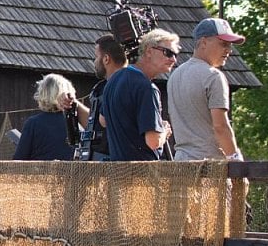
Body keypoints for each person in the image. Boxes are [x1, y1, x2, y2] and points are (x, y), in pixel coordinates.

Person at [169, 17, 246, 161]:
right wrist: (235, 159)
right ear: (204, 42)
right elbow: (220, 126)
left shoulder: (175, 75)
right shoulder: (214, 76)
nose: (229, 50)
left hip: (180, 165)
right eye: (223, 44)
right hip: (208, 167)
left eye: (229, 45)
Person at [99, 29, 179, 161]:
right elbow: (153, 141)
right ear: (148, 51)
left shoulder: (114, 79)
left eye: (175, 54)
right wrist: (163, 131)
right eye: (168, 53)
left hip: (116, 173)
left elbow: (103, 120)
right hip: (141, 174)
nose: (173, 59)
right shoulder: (147, 88)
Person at [73, 35, 126, 160]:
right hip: (98, 160)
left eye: (96, 57)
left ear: (106, 59)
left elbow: (107, 122)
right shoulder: (101, 88)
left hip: (115, 163)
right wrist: (73, 104)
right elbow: (96, 125)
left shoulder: (124, 87)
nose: (94, 61)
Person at [13, 73, 77, 161]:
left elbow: (18, 161)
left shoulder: (33, 124)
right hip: (71, 173)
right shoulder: (76, 123)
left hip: (40, 174)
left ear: (43, 94)